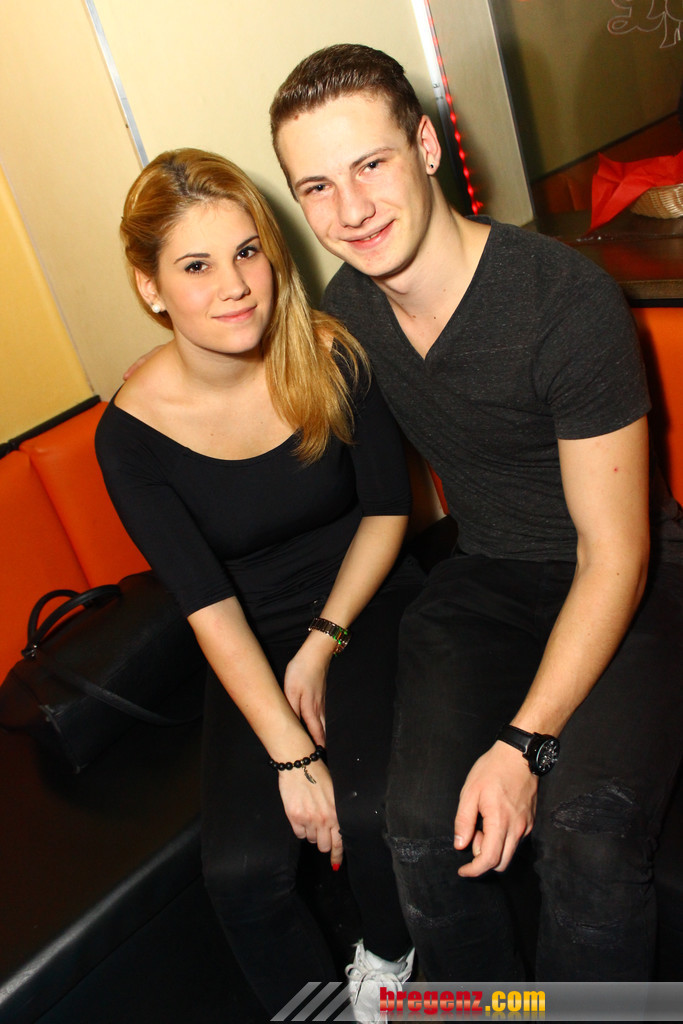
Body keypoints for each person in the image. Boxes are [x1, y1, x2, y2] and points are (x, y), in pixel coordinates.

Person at [267, 44, 683, 983]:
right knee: (419, 830)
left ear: (425, 146)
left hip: (633, 576)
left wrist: (524, 745)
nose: (350, 210)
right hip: (489, 573)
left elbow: (614, 555)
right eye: (317, 187)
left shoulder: (562, 300)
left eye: (370, 164)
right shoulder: (349, 311)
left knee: (586, 840)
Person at [95, 147, 424, 1019]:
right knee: (241, 874)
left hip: (365, 598)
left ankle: (390, 962)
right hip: (245, 632)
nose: (235, 285)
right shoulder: (130, 435)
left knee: (367, 811)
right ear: (150, 287)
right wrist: (290, 751)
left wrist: (322, 644)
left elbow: (389, 511)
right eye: (196, 266)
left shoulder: (331, 354)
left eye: (247, 252)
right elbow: (206, 606)